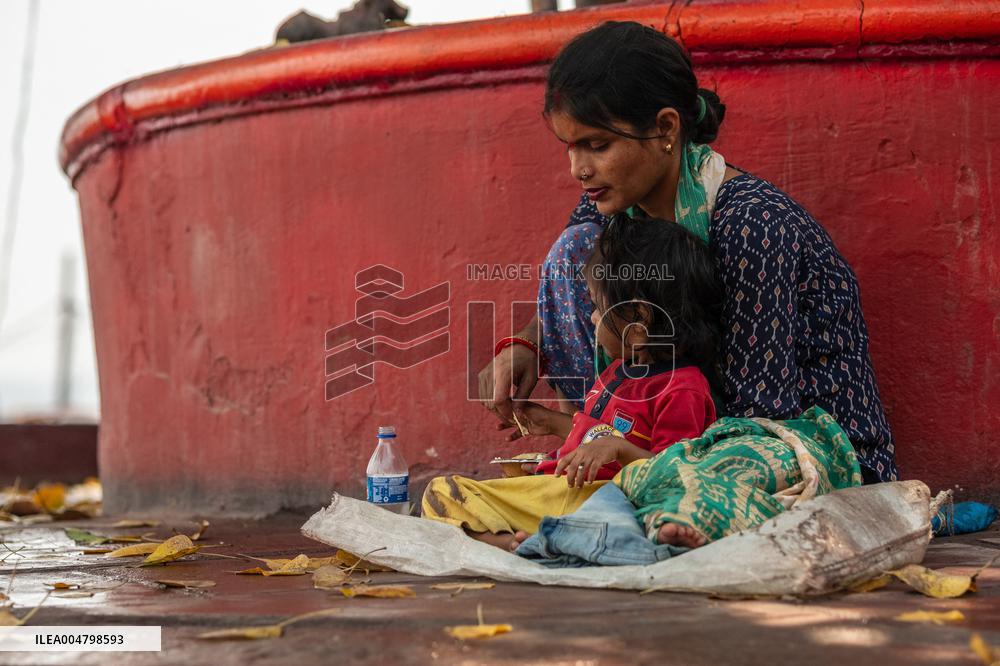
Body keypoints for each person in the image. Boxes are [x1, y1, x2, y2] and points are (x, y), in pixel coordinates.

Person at [480, 20, 898, 485]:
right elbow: (588, 287)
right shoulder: (612, 202)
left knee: (745, 462)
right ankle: (589, 461)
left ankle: (619, 476)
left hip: (793, 449)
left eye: (597, 145)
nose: (579, 169)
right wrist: (526, 345)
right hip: (666, 440)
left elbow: (763, 413)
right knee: (576, 252)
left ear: (666, 128)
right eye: (570, 147)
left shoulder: (753, 224)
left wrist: (650, 457)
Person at [422, 217, 721, 550]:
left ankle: (513, 543)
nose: (591, 317)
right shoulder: (616, 373)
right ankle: (540, 540)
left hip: (609, 501)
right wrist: (548, 423)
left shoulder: (682, 390)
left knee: (443, 492)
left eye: (596, 306)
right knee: (444, 493)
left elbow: (673, 474)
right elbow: (599, 436)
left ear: (638, 321)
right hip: (569, 495)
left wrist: (620, 451)